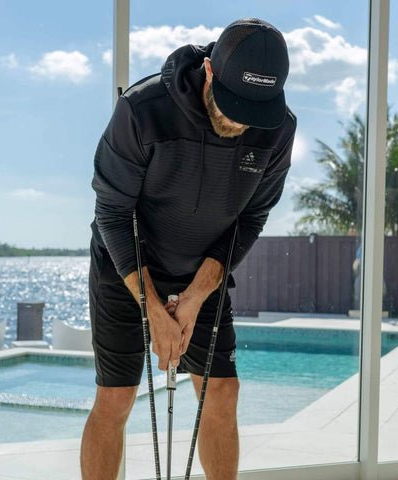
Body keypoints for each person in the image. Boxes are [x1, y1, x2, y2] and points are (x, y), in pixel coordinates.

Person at [81, 17, 297, 480]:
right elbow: (112, 213)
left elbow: (251, 218)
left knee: (222, 391)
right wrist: (153, 308)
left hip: (203, 270)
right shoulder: (142, 109)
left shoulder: (277, 129)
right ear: (211, 71)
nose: (240, 121)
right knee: (117, 396)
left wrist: (198, 295)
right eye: (234, 104)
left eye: (253, 111)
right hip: (126, 267)